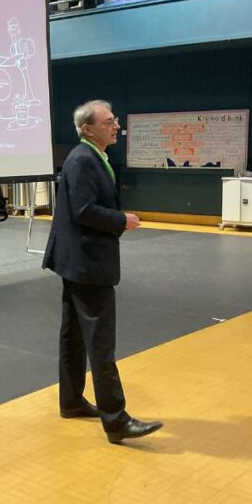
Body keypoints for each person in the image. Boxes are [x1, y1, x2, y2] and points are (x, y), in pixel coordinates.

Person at [43, 100, 163, 444]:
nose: (116, 127)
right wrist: (121, 220)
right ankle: (115, 419)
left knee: (74, 336)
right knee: (100, 341)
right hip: (87, 262)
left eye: (115, 121)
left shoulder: (90, 157)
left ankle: (71, 401)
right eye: (108, 122)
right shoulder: (83, 159)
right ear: (87, 129)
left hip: (76, 261)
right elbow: (83, 210)